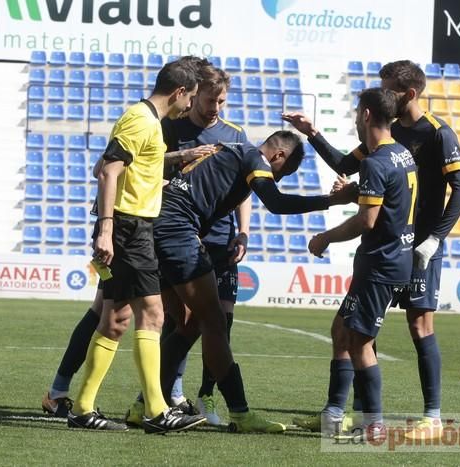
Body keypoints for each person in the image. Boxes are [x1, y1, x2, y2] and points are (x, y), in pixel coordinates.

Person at [283, 60, 460, 440]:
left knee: (418, 326)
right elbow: (346, 165)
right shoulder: (390, 134)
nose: (385, 93)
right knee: (347, 330)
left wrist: (435, 238)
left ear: (410, 94)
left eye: (390, 88)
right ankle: (337, 412)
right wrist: (312, 133)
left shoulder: (437, 134)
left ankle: (428, 416)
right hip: (391, 242)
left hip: (417, 244)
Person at [144, 131, 354, 433]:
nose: (275, 178)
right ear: (278, 156)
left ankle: (147, 404)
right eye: (281, 173)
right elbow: (276, 202)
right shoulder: (253, 158)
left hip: (160, 221)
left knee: (188, 322)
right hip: (176, 228)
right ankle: (240, 413)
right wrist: (331, 201)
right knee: (214, 321)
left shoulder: (230, 150)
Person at [40, 57, 213, 421]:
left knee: (115, 319)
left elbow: (107, 164)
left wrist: (166, 165)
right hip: (128, 229)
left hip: (131, 227)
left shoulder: (146, 122)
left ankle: (84, 407)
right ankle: (156, 410)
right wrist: (106, 228)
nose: (190, 106)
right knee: (152, 314)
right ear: (180, 92)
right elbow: (107, 171)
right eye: (191, 97)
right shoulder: (141, 119)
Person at [127, 65, 250, 427]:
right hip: (179, 235)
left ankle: (206, 394)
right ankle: (162, 395)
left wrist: (242, 231)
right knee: (180, 320)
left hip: (219, 239)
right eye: (211, 100)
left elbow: (245, 187)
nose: (216, 107)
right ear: (194, 96)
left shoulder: (234, 134)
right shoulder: (172, 127)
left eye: (222, 101)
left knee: (219, 320)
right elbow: (152, 175)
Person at [307, 87, 416, 441]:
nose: (355, 119)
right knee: (341, 331)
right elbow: (388, 204)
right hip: (387, 260)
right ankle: (334, 412)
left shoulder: (375, 161)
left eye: (356, 113)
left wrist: (324, 237)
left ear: (366, 114)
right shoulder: (399, 153)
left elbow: (367, 221)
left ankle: (373, 425)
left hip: (381, 263)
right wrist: (354, 193)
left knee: (361, 343)